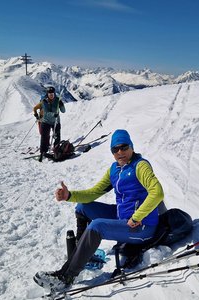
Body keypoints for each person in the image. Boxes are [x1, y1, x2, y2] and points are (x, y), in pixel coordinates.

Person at [34, 129, 164, 290]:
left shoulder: (140, 166)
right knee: (83, 207)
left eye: (124, 147)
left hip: (142, 226)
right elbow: (94, 193)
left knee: (97, 226)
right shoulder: (114, 169)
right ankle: (84, 255)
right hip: (123, 217)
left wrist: (137, 217)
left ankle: (66, 276)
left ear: (131, 147)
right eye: (115, 149)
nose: (120, 152)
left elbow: (157, 192)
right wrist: (69, 196)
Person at [32, 86, 66, 162]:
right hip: (46, 121)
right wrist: (53, 114)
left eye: (52, 93)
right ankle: (42, 152)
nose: (51, 95)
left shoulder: (57, 100)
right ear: (47, 94)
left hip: (56, 121)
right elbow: (46, 113)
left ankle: (56, 150)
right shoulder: (44, 101)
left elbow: (63, 111)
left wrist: (61, 104)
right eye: (50, 94)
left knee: (57, 137)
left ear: (54, 93)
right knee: (44, 136)